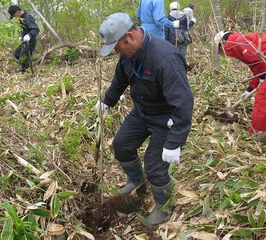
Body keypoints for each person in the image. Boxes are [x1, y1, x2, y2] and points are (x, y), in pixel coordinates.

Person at [97, 12, 194, 225]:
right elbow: (119, 81)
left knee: (155, 166)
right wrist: (107, 101)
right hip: (142, 112)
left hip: (165, 118)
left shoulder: (165, 58)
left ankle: (163, 205)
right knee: (121, 145)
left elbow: (183, 102)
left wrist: (174, 141)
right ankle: (135, 179)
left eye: (116, 47)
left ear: (129, 37)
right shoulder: (127, 56)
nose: (115, 52)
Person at [214, 30, 266, 133]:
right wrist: (249, 90)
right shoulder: (238, 43)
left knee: (262, 99)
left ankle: (258, 133)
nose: (224, 53)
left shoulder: (238, 42)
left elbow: (259, 62)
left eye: (220, 49)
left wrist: (262, 77)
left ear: (223, 42)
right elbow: (256, 68)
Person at [8, 5, 39, 72]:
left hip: (30, 41)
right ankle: (24, 68)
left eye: (14, 15)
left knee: (23, 57)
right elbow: (23, 30)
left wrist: (29, 35)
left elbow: (36, 29)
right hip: (23, 40)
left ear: (18, 12)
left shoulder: (28, 17)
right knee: (17, 54)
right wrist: (21, 36)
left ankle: (25, 71)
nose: (15, 17)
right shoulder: (20, 18)